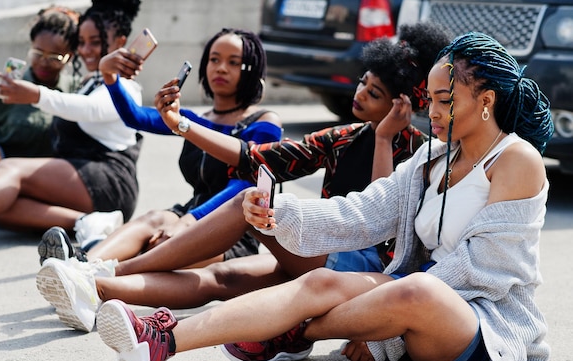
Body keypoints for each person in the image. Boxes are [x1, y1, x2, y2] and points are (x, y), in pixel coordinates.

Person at [95, 31, 553, 361]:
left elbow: (484, 269)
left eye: (443, 101)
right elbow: (361, 213)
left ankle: (297, 330)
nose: (429, 111)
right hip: (409, 298)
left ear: (486, 100)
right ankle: (162, 341)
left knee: (414, 290)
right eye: (429, 98)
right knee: (319, 281)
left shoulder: (516, 159)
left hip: (479, 321)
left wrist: (382, 330)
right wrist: (280, 214)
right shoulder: (430, 159)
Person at [35, 22, 450, 331]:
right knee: (222, 278)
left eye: (374, 93)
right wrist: (180, 124)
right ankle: (92, 292)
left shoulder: (418, 151)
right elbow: (257, 158)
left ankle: (104, 273)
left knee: (246, 204)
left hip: (360, 266)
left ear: (403, 105)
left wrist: (383, 140)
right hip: (315, 250)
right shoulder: (341, 137)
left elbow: (382, 226)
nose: (359, 94)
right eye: (362, 82)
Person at [0, 0, 143, 257]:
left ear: (120, 42)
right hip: (77, 180)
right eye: (82, 43)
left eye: (95, 43)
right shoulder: (90, 83)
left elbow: (89, 109)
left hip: (107, 182)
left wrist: (36, 95)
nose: (86, 51)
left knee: (9, 169)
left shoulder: (123, 87)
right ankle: (86, 223)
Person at [0, 6, 80, 206]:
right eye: (37, 53)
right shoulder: (5, 91)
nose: (44, 62)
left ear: (70, 56)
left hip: (45, 184)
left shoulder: (76, 91)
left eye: (54, 57)